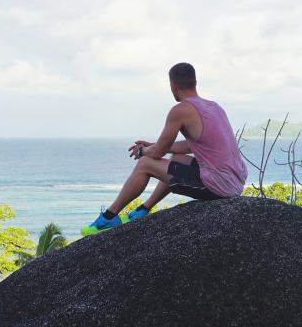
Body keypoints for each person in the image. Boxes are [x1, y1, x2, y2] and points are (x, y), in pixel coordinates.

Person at [85, 62, 248, 233]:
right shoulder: (215, 107)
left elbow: (158, 152)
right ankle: (143, 210)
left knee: (145, 164)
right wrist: (154, 146)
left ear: (173, 87)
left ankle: (109, 218)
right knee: (176, 160)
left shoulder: (181, 110)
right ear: (195, 83)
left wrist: (142, 151)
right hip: (234, 181)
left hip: (218, 185)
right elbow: (189, 146)